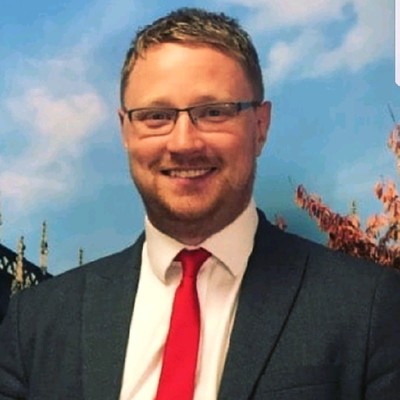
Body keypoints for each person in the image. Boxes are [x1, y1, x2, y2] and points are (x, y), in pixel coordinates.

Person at [0, 7, 400, 400]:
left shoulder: (370, 309)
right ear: (125, 130)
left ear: (260, 126)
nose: (184, 143)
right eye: (156, 116)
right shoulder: (36, 322)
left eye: (213, 112)